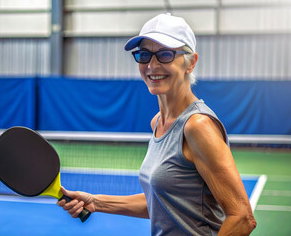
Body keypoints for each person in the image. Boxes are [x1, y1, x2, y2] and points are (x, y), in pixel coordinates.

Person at [57, 13, 257, 236]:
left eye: (165, 54)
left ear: (191, 63)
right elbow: (161, 202)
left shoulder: (197, 126)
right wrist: (96, 201)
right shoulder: (157, 123)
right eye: (144, 55)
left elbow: (242, 218)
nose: (152, 65)